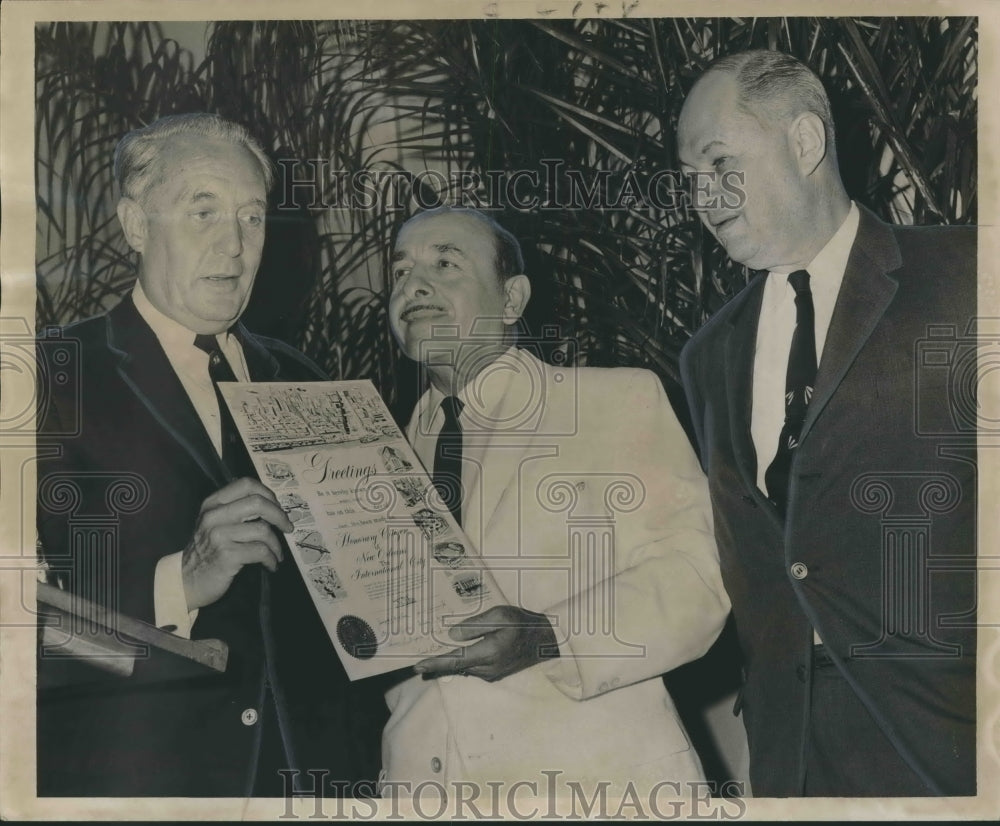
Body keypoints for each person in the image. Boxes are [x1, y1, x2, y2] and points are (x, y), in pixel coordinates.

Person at [35, 113, 387, 797]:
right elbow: (27, 634)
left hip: (310, 784)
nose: (234, 245)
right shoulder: (48, 375)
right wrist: (181, 584)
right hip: (138, 788)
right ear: (135, 224)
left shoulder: (313, 385)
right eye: (204, 212)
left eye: (253, 219)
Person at [677, 50, 976, 796]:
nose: (704, 197)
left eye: (719, 163)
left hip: (953, 747)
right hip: (793, 760)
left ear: (805, 143)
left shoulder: (970, 275)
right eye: (689, 180)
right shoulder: (708, 354)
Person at [380, 206, 730, 798]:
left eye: (446, 263)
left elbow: (699, 580)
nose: (414, 285)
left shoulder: (615, 402)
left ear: (513, 299)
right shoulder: (374, 458)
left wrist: (552, 636)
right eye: (400, 271)